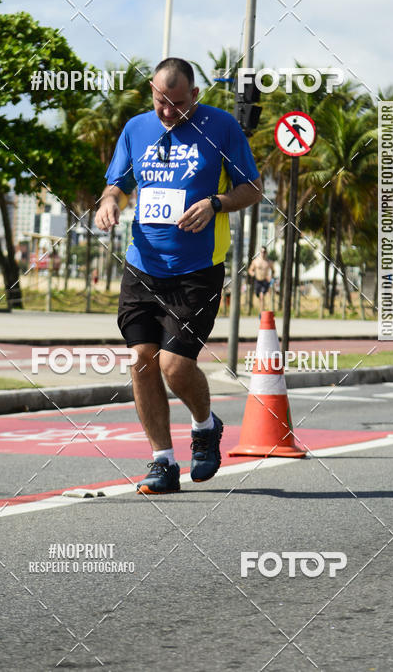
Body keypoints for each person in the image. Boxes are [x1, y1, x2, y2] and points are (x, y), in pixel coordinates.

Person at [95, 57, 262, 494]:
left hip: (197, 271)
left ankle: (205, 426)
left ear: (196, 95)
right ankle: (162, 462)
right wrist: (109, 201)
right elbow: (118, 183)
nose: (166, 111)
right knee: (141, 362)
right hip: (142, 265)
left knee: (174, 365)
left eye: (176, 103)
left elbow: (252, 187)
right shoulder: (136, 129)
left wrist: (216, 204)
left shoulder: (222, 126)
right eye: (159, 101)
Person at [248, 246, 273, 312]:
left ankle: (262, 313)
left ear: (266, 252)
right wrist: (253, 274)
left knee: (262, 296)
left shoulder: (269, 262)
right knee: (259, 297)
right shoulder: (255, 261)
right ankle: (262, 310)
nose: (263, 253)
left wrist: (271, 276)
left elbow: (273, 271)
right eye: (262, 252)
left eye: (264, 252)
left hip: (265, 281)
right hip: (257, 281)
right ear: (260, 252)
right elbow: (250, 270)